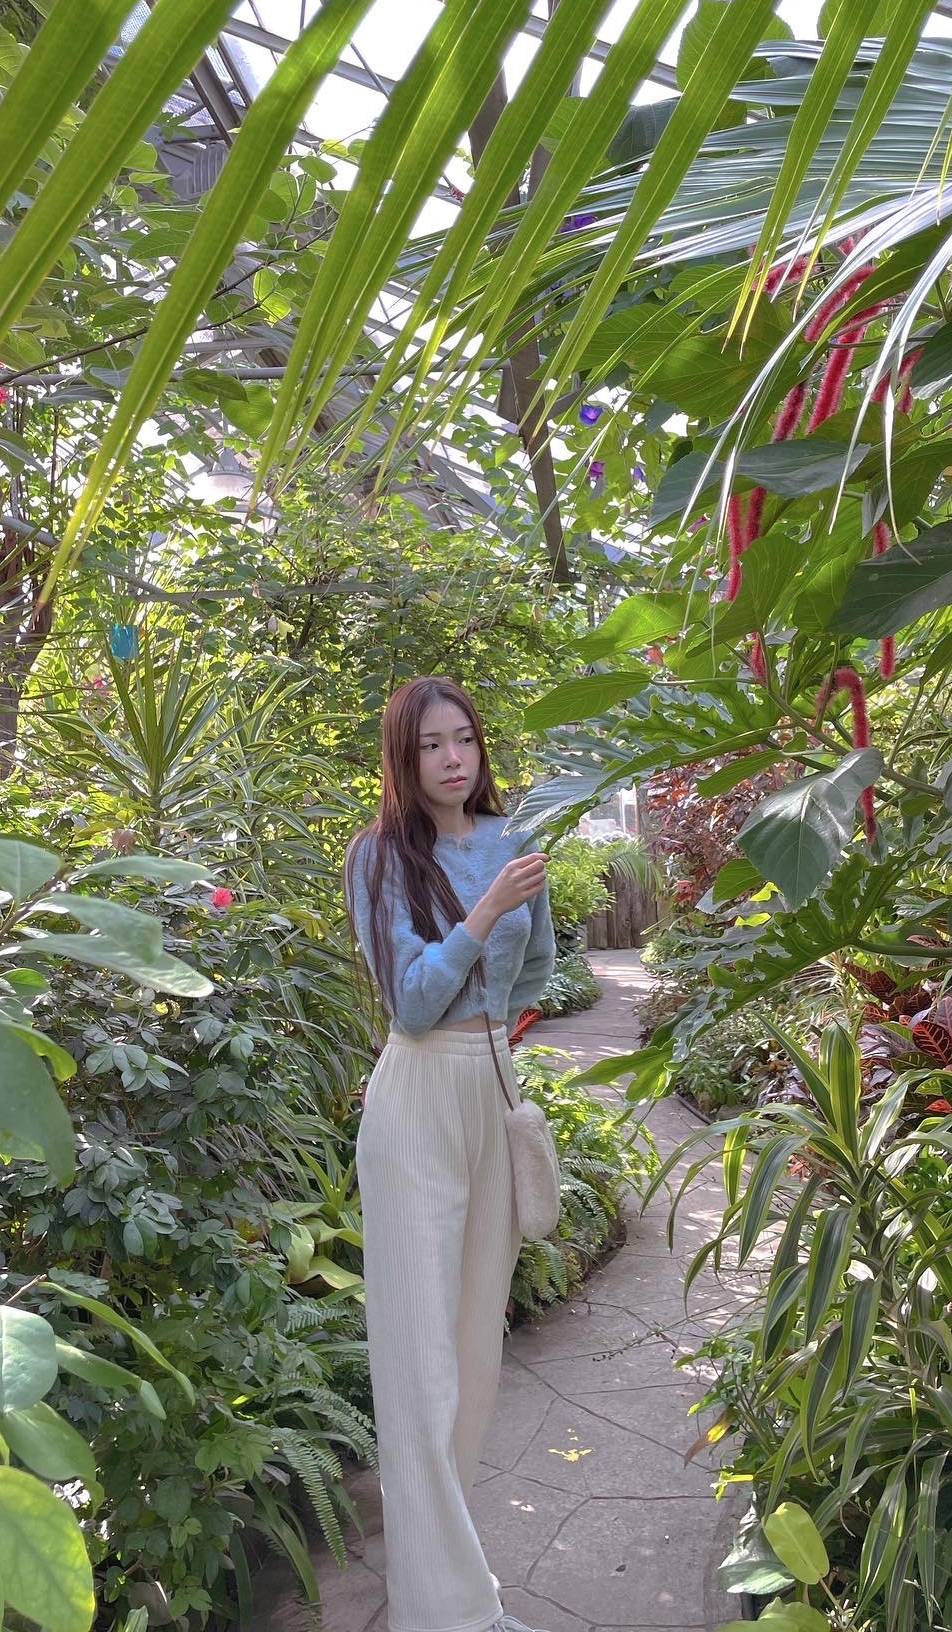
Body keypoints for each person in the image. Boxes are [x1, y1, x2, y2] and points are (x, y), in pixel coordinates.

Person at [343, 676, 557, 1632]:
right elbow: (413, 1004)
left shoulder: (513, 843)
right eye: (431, 745)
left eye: (464, 738)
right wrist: (478, 922)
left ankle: (441, 1591)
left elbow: (542, 966)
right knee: (420, 1361)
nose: (453, 758)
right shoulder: (382, 856)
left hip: (490, 1086)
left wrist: (501, 1043)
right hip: (418, 1094)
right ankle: (455, 1614)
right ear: (405, 756)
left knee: (475, 1353)